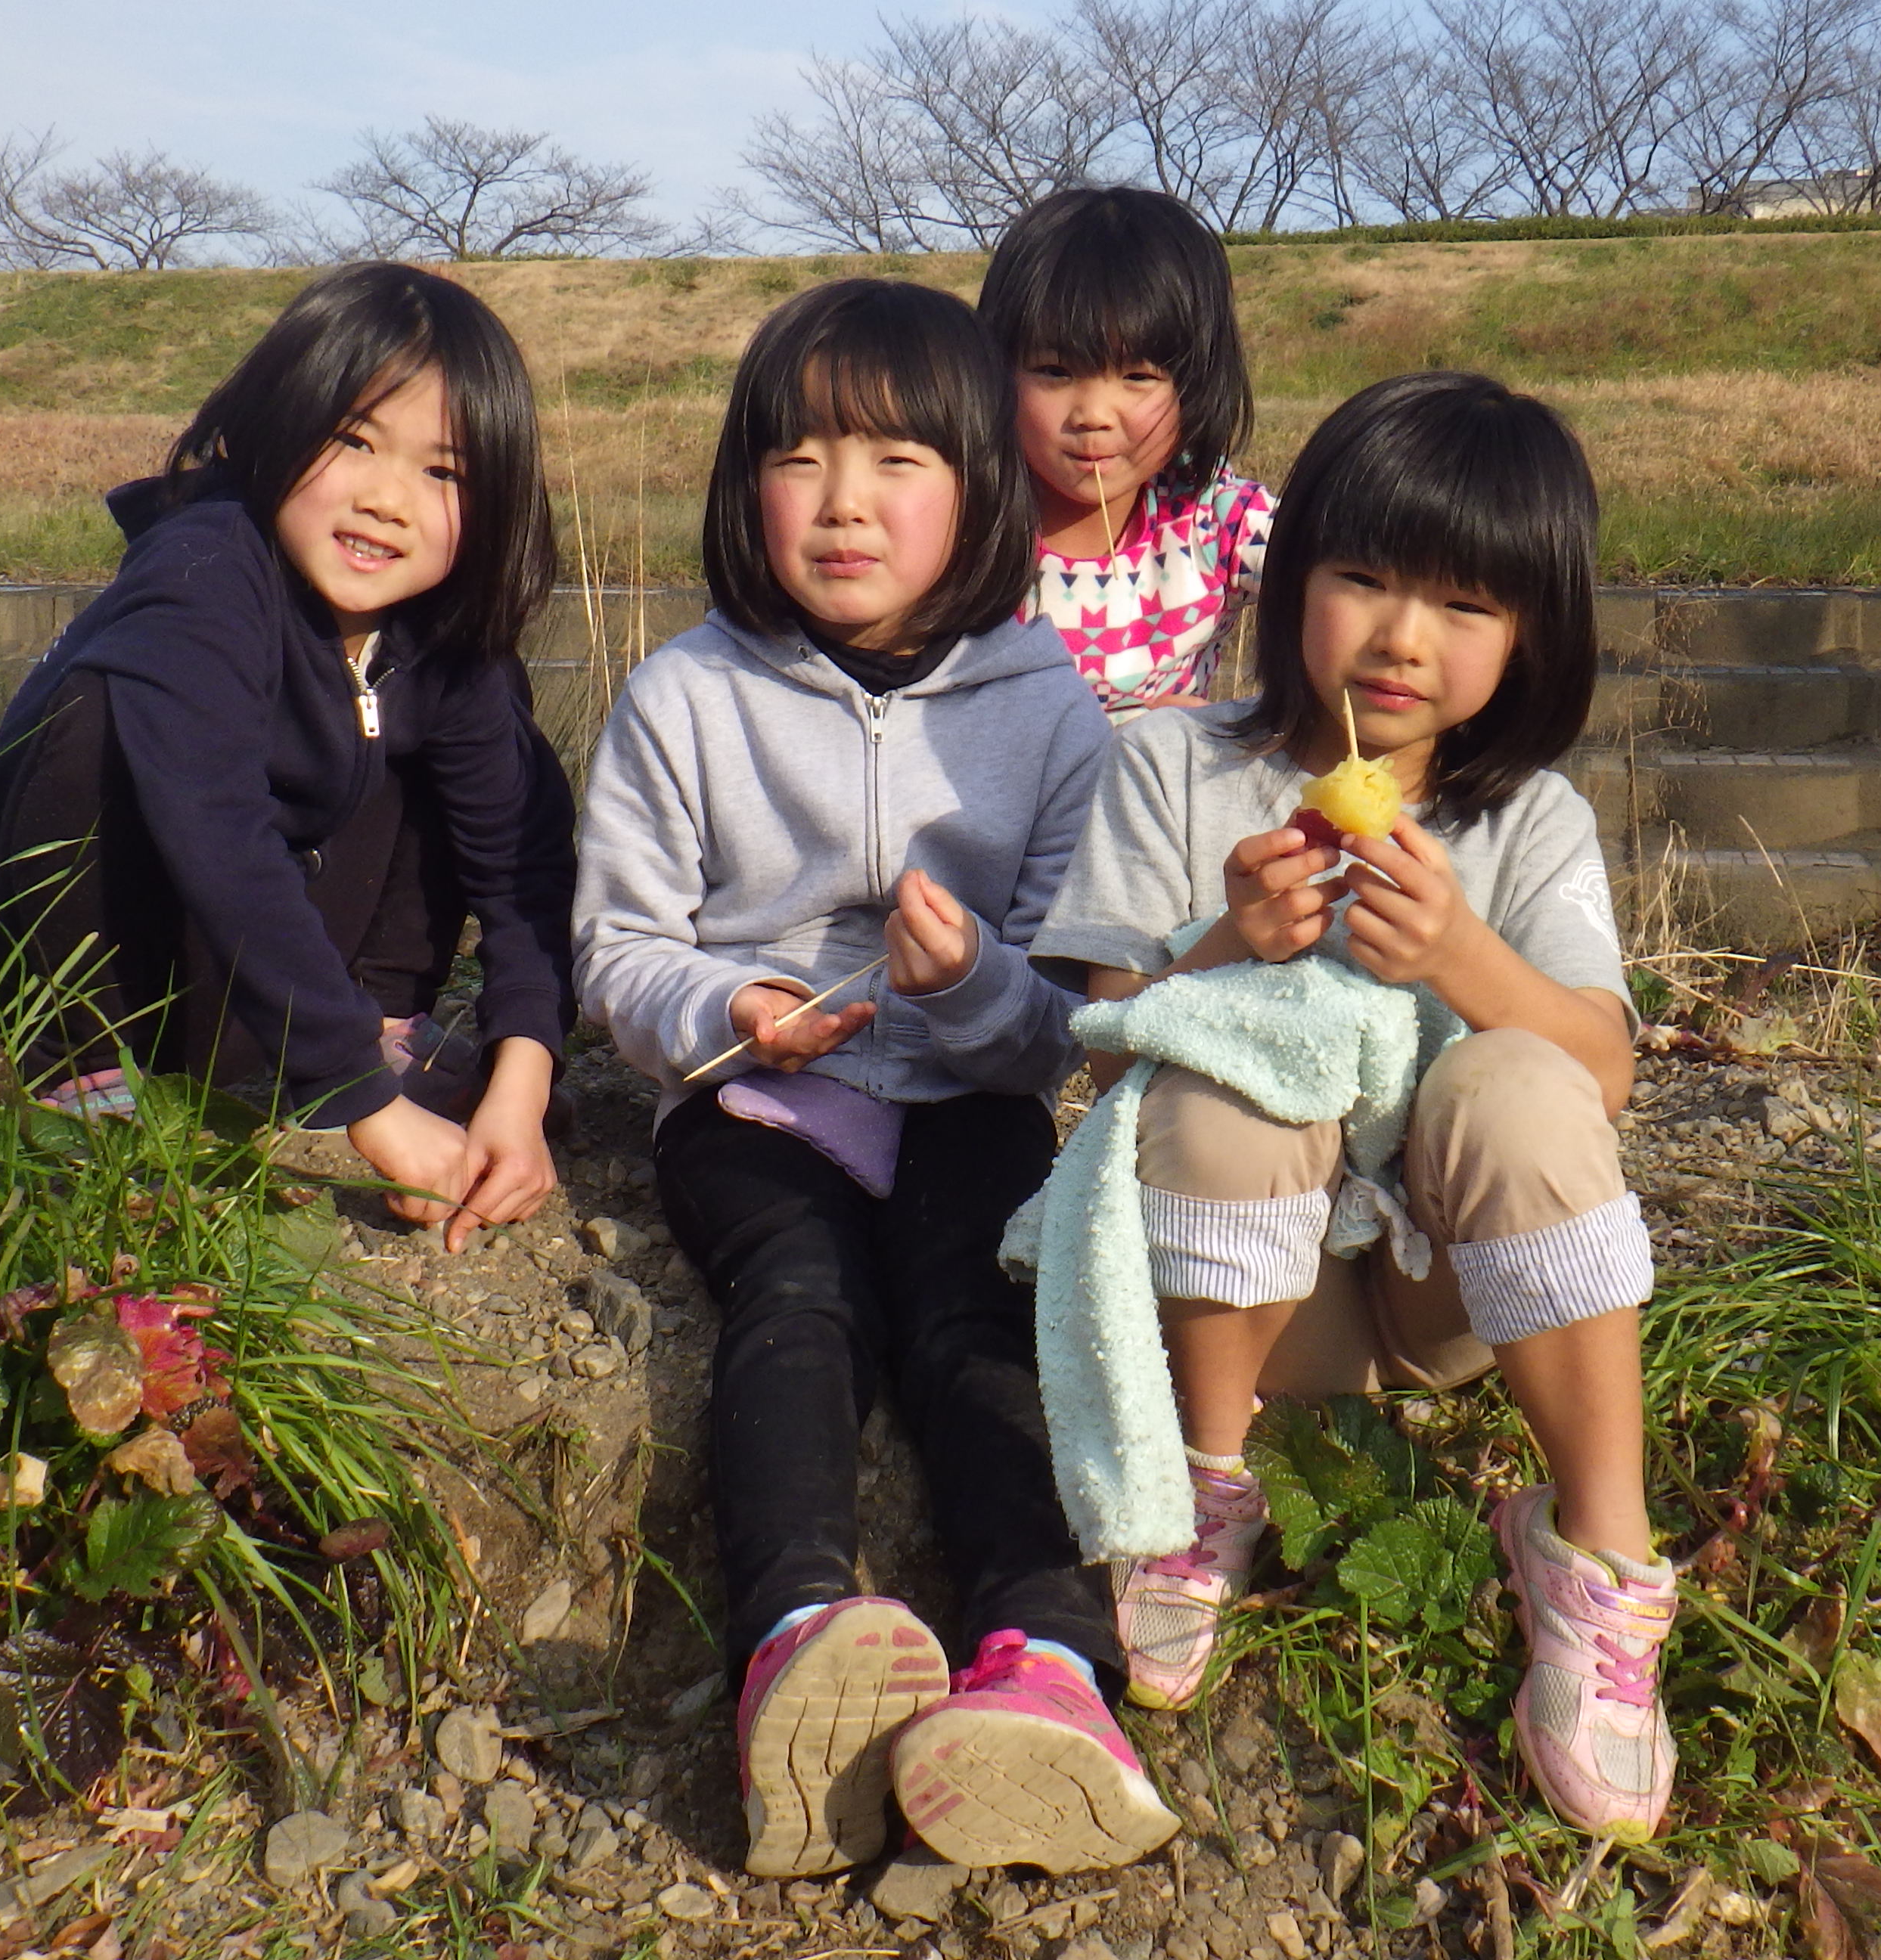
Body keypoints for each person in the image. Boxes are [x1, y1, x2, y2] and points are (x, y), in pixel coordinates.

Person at [573, 278, 1178, 1881]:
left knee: (980, 1312)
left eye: (899, 461)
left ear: (983, 490)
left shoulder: (1053, 716)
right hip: (760, 1105)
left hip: (969, 1100)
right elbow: (619, 954)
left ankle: (1047, 1668)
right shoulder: (682, 697)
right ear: (744, 487)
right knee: (797, 1294)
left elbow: (1069, 1026)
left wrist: (976, 986)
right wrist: (732, 1008)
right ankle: (796, 1635)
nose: (845, 502)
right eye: (801, 458)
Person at [1032, 372, 1682, 1841]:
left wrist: (1462, 955)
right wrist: (1222, 949)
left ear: (1532, 637)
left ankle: (1598, 1552)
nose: (1402, 638)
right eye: (1364, 580)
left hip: (1456, 1301)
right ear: (1293, 581)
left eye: (1464, 606)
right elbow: (1101, 1047)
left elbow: (1607, 1072)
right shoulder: (1171, 766)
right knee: (1221, 1055)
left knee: (1523, 1071)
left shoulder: (1532, 821)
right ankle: (1202, 1494)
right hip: (1250, 1319)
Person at [0, 262, 574, 1252]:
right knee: (103, 721)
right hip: (62, 956)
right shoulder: (202, 571)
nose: (389, 500)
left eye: (443, 472)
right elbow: (221, 844)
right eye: (353, 441)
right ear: (267, 428)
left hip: (235, 978)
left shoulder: (443, 634)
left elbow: (519, 870)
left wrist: (521, 1089)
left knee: (489, 745)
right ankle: (73, 1073)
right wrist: (374, 1116)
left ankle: (377, 1027)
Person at [979, 187, 1274, 720]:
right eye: (1054, 372)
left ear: (1197, 385)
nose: (1092, 413)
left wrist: (1244, 732)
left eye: (1138, 377)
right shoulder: (968, 524)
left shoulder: (1215, 518)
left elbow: (1348, 586)